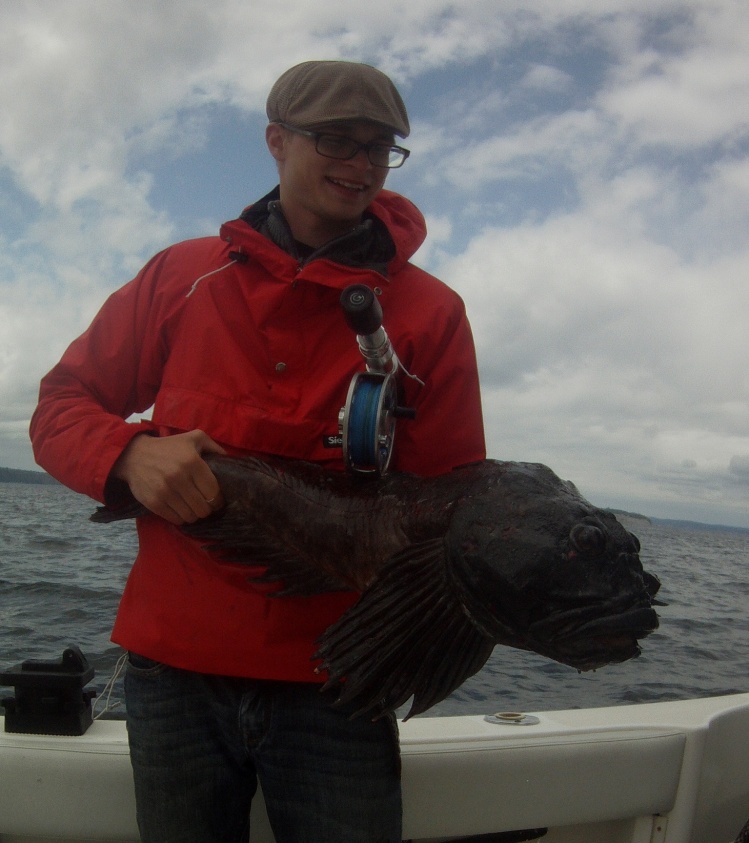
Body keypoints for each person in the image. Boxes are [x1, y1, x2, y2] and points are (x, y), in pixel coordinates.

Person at [30, 60, 486, 843]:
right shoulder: (182, 275)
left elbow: (449, 505)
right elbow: (60, 406)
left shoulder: (431, 312)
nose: (361, 163)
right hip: (172, 671)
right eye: (337, 140)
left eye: (380, 147)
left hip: (341, 680)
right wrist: (130, 454)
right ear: (276, 141)